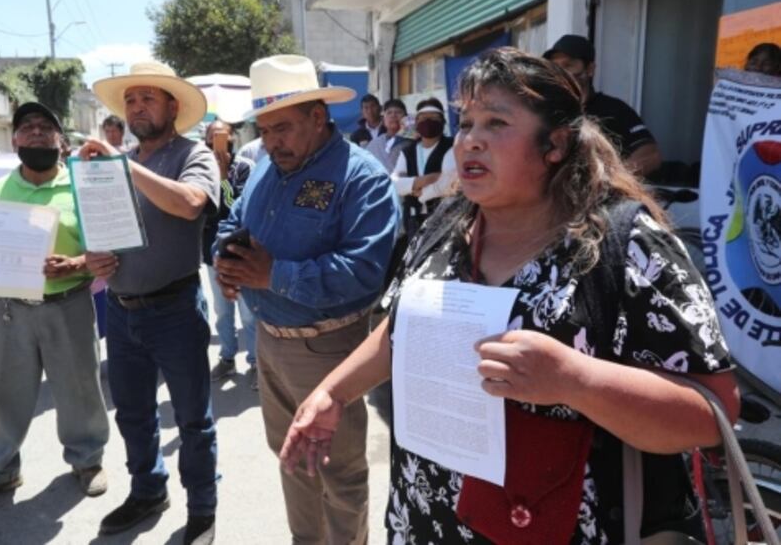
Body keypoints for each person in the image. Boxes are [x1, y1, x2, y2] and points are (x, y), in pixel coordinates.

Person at [279, 48, 740, 544]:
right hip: (427, 520)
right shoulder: (444, 227)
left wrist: (575, 379)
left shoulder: (625, 244)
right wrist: (333, 392)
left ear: (556, 144)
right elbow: (401, 329)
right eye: (467, 121)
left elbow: (713, 410)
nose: (470, 140)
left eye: (496, 123)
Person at [215, 54, 399, 544]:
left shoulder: (363, 179)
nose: (272, 141)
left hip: (330, 348)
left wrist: (273, 275)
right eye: (265, 129)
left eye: (283, 128)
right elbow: (235, 221)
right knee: (292, 457)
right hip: (270, 345)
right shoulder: (263, 169)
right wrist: (227, 257)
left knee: (338, 475)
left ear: (318, 117)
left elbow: (364, 273)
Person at [0, 102, 110, 511]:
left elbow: (108, 251)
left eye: (45, 126)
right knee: (5, 392)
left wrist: (74, 264)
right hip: (11, 309)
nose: (36, 132)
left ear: (60, 139)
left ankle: (87, 461)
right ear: (15, 139)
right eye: (27, 127)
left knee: (79, 390)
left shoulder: (82, 186)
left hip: (68, 302)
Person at [83, 61, 219, 543]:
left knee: (192, 418)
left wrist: (123, 165)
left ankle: (203, 507)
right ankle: (148, 490)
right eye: (132, 101)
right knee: (133, 412)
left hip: (175, 310)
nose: (138, 108)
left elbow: (188, 203)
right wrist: (95, 257)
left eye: (148, 99)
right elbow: (101, 229)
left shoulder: (194, 153)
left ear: (172, 107)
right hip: (121, 310)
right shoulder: (117, 160)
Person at [545, 34, 662, 177]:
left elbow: (650, 156)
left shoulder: (614, 109)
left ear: (590, 69)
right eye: (555, 67)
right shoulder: (544, 111)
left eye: (568, 65)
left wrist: (608, 182)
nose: (562, 73)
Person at [202, 120, 258, 389]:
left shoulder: (246, 167)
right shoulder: (199, 168)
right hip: (212, 251)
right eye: (213, 136)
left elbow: (241, 209)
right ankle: (227, 358)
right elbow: (206, 209)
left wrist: (224, 178)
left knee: (248, 313)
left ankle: (256, 362)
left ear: (233, 137)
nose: (218, 140)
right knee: (222, 312)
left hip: (241, 249)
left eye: (222, 135)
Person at [391, 97, 455, 239]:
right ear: (417, 123)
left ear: (443, 122)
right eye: (423, 118)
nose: (428, 121)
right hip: (414, 219)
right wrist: (424, 180)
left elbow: (450, 181)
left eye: (433, 117)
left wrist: (421, 192)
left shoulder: (453, 146)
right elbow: (394, 183)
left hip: (445, 217)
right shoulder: (408, 151)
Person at [364, 98, 411, 173]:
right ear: (383, 119)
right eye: (389, 113)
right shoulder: (374, 145)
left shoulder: (413, 143)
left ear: (406, 118)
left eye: (398, 112)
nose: (393, 115)